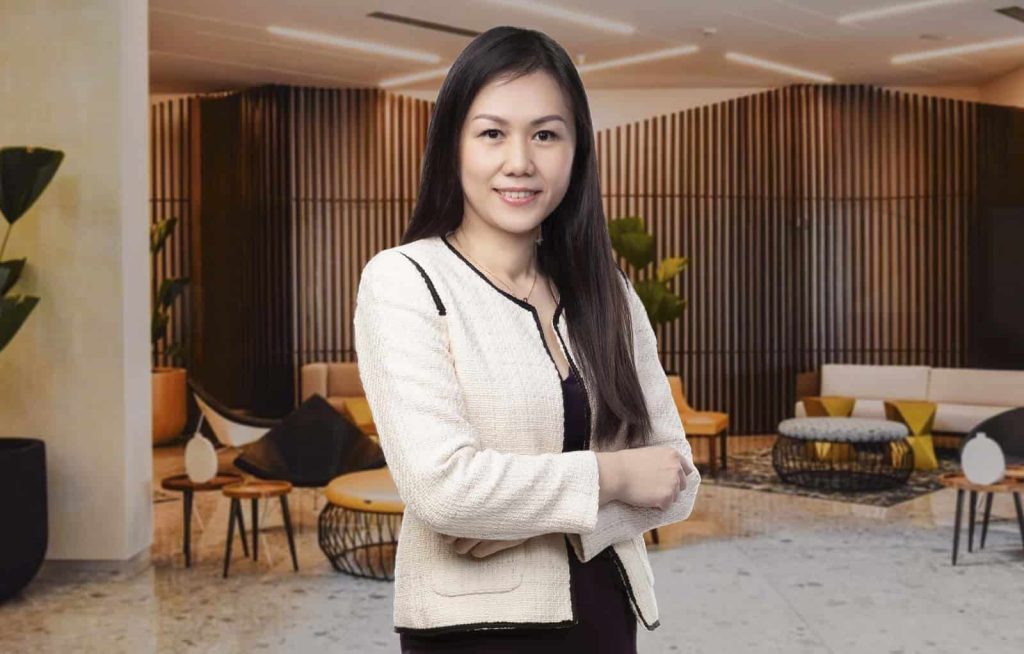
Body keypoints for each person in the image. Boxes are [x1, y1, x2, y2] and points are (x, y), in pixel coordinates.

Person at [352, 25, 701, 653]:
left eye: (545, 134)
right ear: (453, 146)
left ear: (576, 150)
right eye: (492, 133)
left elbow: (676, 477)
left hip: (605, 618)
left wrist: (516, 523)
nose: (520, 161)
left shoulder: (608, 293)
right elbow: (444, 491)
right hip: (474, 633)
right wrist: (616, 477)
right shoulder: (404, 280)